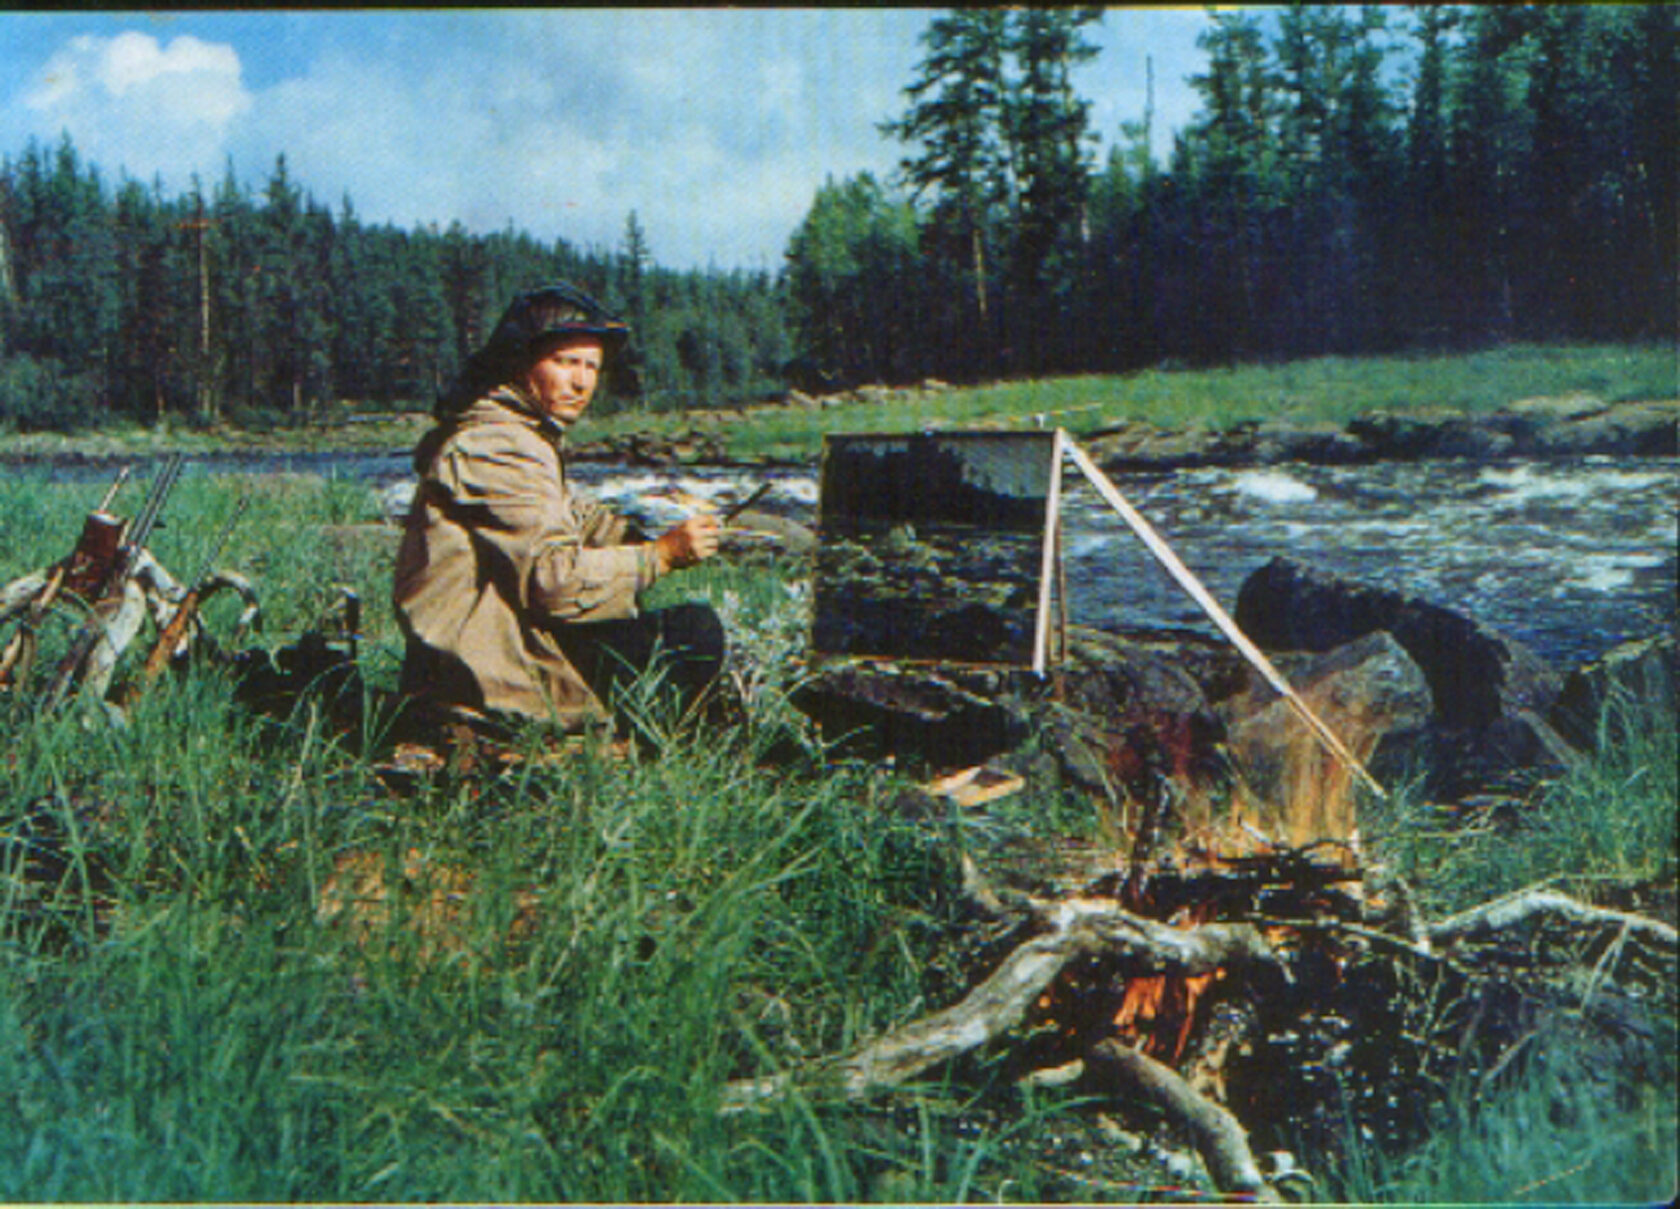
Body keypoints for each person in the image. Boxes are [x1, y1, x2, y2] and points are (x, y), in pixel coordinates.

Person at [392, 283, 725, 741]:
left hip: (477, 648)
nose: (582, 382)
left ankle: (674, 742)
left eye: (592, 367)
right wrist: (660, 557)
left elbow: (565, 514)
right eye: (566, 362)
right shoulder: (500, 444)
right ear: (522, 361)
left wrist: (637, 528)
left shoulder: (514, 432)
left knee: (643, 622)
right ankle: (671, 757)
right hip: (475, 667)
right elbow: (556, 582)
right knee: (693, 630)